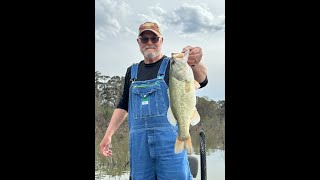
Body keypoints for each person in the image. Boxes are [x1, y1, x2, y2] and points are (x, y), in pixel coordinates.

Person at [99, 21, 208, 180]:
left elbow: (202, 80)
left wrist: (195, 62)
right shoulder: (132, 71)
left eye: (154, 39)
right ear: (139, 42)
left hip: (170, 145)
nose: (149, 43)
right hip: (139, 147)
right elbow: (123, 104)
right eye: (145, 39)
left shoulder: (173, 65)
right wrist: (108, 135)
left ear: (161, 41)